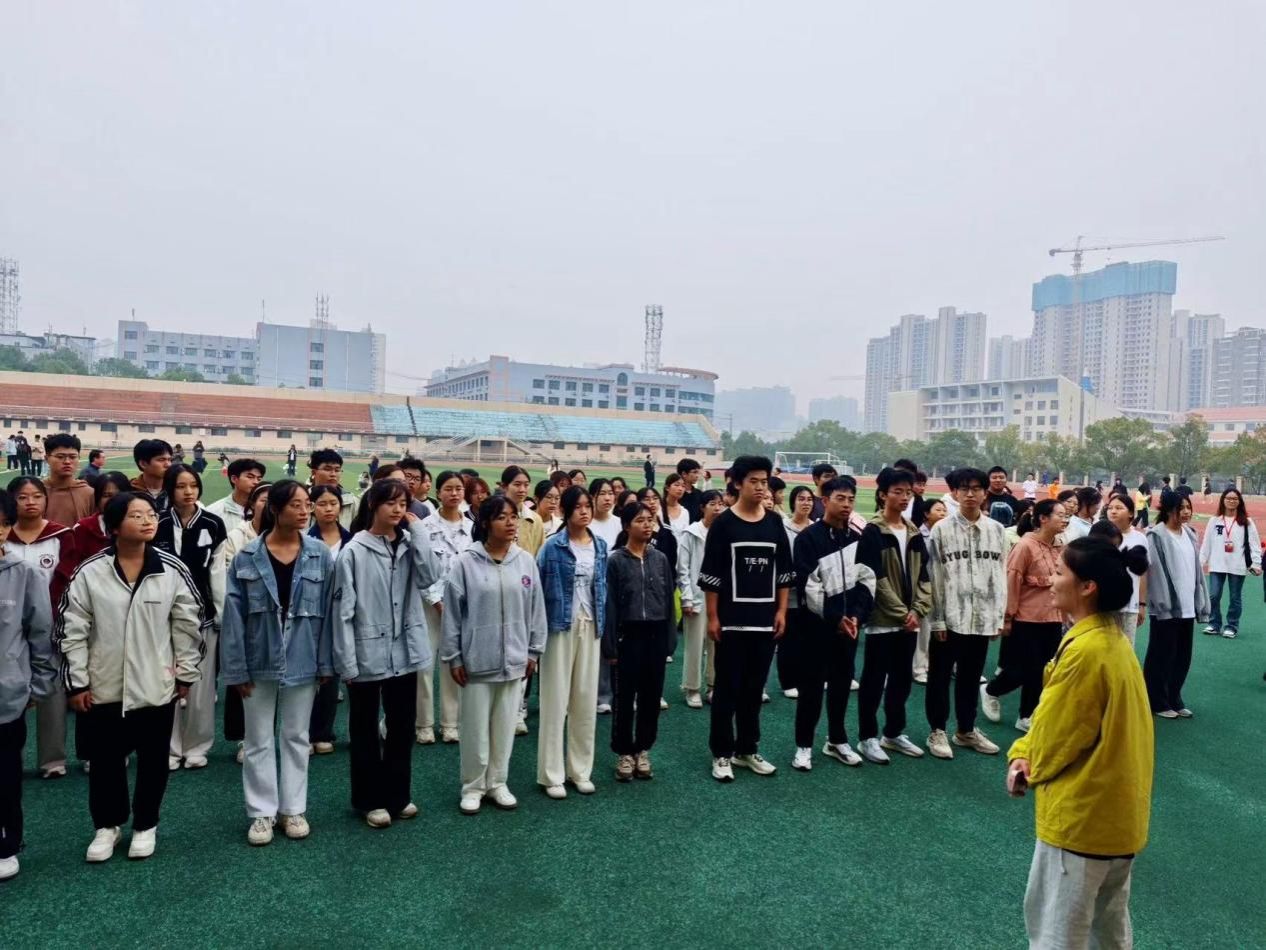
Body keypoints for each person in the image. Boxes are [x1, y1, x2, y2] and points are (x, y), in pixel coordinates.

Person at [1006, 536, 1152, 949]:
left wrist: (1023, 759)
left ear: (1087, 587)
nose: (1051, 580)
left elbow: (1058, 735)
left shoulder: (1086, 651)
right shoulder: (1112, 641)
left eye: (1059, 573)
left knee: (1057, 935)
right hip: (1115, 820)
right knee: (1107, 934)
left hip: (1081, 823)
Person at [57, 492, 203, 862]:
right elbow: (72, 630)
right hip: (103, 687)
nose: (147, 520)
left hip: (156, 686)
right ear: (114, 526)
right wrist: (78, 682)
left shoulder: (171, 570)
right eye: (136, 515)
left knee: (154, 761)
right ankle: (107, 826)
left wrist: (185, 673)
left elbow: (188, 624)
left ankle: (146, 824)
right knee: (105, 762)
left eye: (150, 514)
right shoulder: (90, 572)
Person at [222, 481, 335, 845]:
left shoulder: (320, 554)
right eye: (296, 505)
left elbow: (329, 613)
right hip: (257, 660)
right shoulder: (247, 556)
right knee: (257, 739)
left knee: (297, 737)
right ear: (275, 509)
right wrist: (236, 669)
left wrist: (325, 664)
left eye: (307, 504)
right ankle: (261, 813)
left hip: (304, 659)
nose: (305, 511)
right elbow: (233, 617)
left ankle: (293, 809)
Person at [333, 478, 439, 829]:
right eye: (390, 502)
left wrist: (419, 531)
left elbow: (430, 577)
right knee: (364, 729)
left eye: (403, 503)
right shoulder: (354, 551)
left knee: (401, 726)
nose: (397, 509)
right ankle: (369, 799)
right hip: (366, 650)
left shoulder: (410, 543)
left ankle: (398, 795)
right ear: (373, 505)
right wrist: (347, 662)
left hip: (405, 651)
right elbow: (343, 612)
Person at [440, 496, 547, 815]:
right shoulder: (465, 563)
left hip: (515, 660)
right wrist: (454, 657)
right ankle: (473, 786)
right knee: (474, 728)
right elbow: (452, 615)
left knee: (504, 726)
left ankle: (498, 782)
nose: (511, 523)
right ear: (486, 523)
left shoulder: (525, 561)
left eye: (514, 516)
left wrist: (533, 651)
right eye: (502, 517)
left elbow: (536, 610)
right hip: (477, 661)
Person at [700, 456, 794, 781]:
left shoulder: (774, 523)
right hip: (731, 622)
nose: (760, 487)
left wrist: (781, 611)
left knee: (754, 690)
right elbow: (711, 575)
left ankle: (747, 749)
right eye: (753, 481)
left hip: (764, 621)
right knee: (727, 689)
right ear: (737, 483)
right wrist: (713, 617)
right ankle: (721, 753)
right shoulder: (724, 524)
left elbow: (784, 573)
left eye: (764, 481)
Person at [789, 476, 874, 771]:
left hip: (849, 628)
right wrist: (836, 618)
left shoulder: (857, 538)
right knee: (811, 689)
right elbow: (808, 585)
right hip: (816, 629)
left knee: (841, 685)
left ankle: (837, 741)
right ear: (824, 501)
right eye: (840, 498)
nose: (847, 504)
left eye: (851, 499)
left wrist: (857, 616)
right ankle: (803, 746)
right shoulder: (808, 539)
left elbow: (867, 580)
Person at [925, 467, 1007, 760]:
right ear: (955, 493)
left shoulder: (996, 530)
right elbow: (934, 575)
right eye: (964, 488)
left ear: (985, 493)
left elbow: (1000, 576)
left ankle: (966, 730)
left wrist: (998, 616)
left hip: (982, 618)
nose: (970, 494)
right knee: (939, 677)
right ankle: (937, 730)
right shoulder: (941, 530)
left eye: (976, 488)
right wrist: (937, 619)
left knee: (971, 677)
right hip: (950, 618)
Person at [855, 467, 932, 763]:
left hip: (909, 621)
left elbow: (924, 576)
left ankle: (893, 733)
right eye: (897, 491)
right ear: (882, 494)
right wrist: (903, 613)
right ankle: (867, 737)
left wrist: (918, 610)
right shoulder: (873, 531)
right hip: (883, 621)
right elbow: (874, 577)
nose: (904, 497)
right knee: (874, 680)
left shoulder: (913, 531)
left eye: (908, 492)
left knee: (902, 680)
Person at [154, 464, 228, 770]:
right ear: (169, 489)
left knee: (201, 686)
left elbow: (218, 572)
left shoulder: (213, 524)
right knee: (165, 682)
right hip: (162, 617)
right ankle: (168, 748)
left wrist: (221, 613)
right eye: (181, 486)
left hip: (203, 616)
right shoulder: (156, 522)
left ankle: (197, 746)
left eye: (193, 486)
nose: (188, 492)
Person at [535, 486, 607, 797]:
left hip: (591, 627)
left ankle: (580, 771)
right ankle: (552, 775)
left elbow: (602, 589)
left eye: (587, 505)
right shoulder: (552, 547)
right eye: (577, 507)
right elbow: (537, 592)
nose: (584, 511)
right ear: (564, 511)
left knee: (585, 700)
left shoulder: (600, 545)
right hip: (558, 628)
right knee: (555, 701)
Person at [0, 490, 56, 881]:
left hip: (6, 695)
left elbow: (40, 634)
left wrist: (37, 684)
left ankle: (7, 842)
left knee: (5, 773)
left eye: (1, 524)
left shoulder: (23, 574)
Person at [6, 475, 74, 778]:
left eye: (36, 496)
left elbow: (68, 577)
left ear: (46, 499)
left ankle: (52, 760)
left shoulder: (61, 535)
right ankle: (12, 759)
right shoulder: (4, 536)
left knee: (52, 692)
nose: (30, 502)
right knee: (11, 694)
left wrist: (52, 615)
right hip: (9, 627)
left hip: (51, 623)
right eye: (22, 497)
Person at [981, 499, 1067, 734]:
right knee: (1025, 668)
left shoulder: (1061, 546)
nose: (1065, 519)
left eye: (1065, 515)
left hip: (1053, 617)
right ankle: (991, 690)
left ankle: (1027, 715)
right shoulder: (1024, 546)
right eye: (1060, 515)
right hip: (1027, 617)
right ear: (1043, 519)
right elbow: (1012, 582)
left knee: (1043, 670)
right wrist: (1008, 617)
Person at [604, 500, 675, 781]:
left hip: (656, 635)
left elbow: (668, 601)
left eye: (650, 520)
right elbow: (609, 605)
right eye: (640, 520)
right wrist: (610, 644)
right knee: (624, 697)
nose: (647, 525)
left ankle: (643, 749)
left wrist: (669, 638)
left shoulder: (660, 559)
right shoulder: (615, 561)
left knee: (651, 696)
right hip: (628, 636)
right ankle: (624, 752)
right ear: (626, 526)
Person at [218, 480, 273, 764]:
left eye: (274, 500)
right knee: (243, 676)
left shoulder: (291, 536)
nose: (268, 505)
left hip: (275, 619)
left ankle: (267, 737)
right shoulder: (237, 536)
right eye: (263, 499)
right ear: (252, 504)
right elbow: (228, 572)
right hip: (245, 614)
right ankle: (244, 738)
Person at [415, 471, 472, 745]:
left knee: (454, 663)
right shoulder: (424, 527)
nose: (454, 493)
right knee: (424, 666)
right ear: (438, 493)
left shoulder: (472, 528)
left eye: (458, 488)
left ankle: (451, 723)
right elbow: (420, 567)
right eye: (448, 488)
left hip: (461, 607)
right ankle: (424, 724)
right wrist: (436, 601)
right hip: (429, 606)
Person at [1144, 492, 1209, 719]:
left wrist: (1199, 599)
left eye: (1188, 507)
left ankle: (1174, 697)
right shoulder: (1156, 535)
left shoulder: (1190, 534)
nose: (1186, 512)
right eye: (1181, 508)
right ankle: (1157, 701)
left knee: (1182, 655)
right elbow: (1154, 573)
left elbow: (1195, 570)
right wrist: (1161, 601)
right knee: (1162, 654)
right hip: (1166, 606)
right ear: (1168, 509)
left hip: (1187, 605)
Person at [306, 484, 353, 755]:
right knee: (308, 677)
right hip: (311, 615)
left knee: (332, 675)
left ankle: (323, 733)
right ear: (312, 507)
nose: (328, 509)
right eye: (322, 504)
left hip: (342, 615)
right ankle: (304, 734)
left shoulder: (352, 541)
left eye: (333, 503)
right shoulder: (304, 539)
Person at [678, 490, 724, 709]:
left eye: (720, 504)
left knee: (717, 644)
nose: (717, 508)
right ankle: (692, 687)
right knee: (695, 645)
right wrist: (687, 598)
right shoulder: (691, 533)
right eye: (713, 504)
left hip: (721, 597)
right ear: (702, 507)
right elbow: (683, 569)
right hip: (697, 596)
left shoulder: (725, 531)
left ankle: (713, 686)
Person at [1199, 487, 1262, 639]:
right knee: (1214, 595)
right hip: (1217, 564)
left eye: (1235, 499)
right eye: (1228, 498)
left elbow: (1254, 544)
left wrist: (1256, 563)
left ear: (1239, 501)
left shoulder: (1246, 522)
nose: (1231, 501)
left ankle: (1231, 626)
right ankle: (1214, 624)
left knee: (1235, 597)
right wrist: (1200, 563)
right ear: (1223, 500)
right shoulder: (1214, 521)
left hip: (1237, 565)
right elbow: (1206, 543)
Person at [776, 486, 815, 699]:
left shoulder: (816, 528)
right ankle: (788, 681)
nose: (806, 503)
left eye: (809, 499)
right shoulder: (783, 528)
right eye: (801, 499)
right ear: (793, 502)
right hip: (788, 593)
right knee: (788, 639)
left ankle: (805, 678)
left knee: (807, 639)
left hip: (811, 594)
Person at [1098, 495, 1149, 642]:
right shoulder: (1099, 535)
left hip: (1130, 607)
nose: (1113, 511)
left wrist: (1142, 604)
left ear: (1131, 513)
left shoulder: (1140, 538)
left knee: (1126, 649)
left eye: (1119, 508)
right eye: (1110, 508)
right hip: (1104, 607)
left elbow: (1142, 573)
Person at [913, 497, 948, 685]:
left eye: (944, 510)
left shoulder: (946, 534)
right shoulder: (918, 536)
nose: (943, 513)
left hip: (943, 588)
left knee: (942, 630)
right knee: (924, 631)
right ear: (927, 514)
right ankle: (919, 668)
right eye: (938, 510)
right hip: (925, 589)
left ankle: (937, 666)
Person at [42, 434, 95, 526]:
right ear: (47, 459)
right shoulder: (38, 491)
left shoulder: (89, 493)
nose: (67, 461)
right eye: (60, 457)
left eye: (72, 457)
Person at [207, 458, 267, 535]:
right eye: (250, 477)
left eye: (259, 479)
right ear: (234, 479)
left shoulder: (267, 510)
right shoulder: (213, 512)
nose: (256, 482)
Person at [309, 449, 356, 528]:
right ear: (314, 472)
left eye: (337, 470)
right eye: (327, 469)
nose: (333, 474)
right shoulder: (303, 500)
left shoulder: (352, 502)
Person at [129, 439, 173, 517]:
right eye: (161, 460)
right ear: (143, 464)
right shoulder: (128, 490)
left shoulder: (175, 489)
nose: (168, 464)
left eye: (169, 460)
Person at [677, 458, 704, 523]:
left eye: (698, 472)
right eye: (694, 472)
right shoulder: (676, 494)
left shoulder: (699, 494)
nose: (697, 476)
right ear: (684, 474)